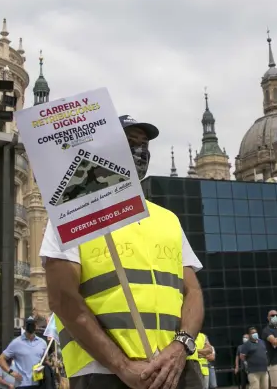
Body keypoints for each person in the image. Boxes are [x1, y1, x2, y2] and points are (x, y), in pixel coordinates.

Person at [41, 115, 205, 389]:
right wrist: (122, 365)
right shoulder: (73, 212)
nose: (140, 152)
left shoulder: (168, 219)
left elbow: (194, 293)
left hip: (177, 370)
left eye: (144, 146)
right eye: (130, 143)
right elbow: (62, 299)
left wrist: (181, 345)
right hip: (104, 374)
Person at [0, 317, 49, 388]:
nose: (31, 326)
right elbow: (0, 359)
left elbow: (45, 361)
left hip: (39, 384)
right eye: (28, 324)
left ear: (36, 326)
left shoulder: (43, 343)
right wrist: (11, 372)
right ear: (24, 326)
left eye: (32, 324)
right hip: (22, 385)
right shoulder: (16, 343)